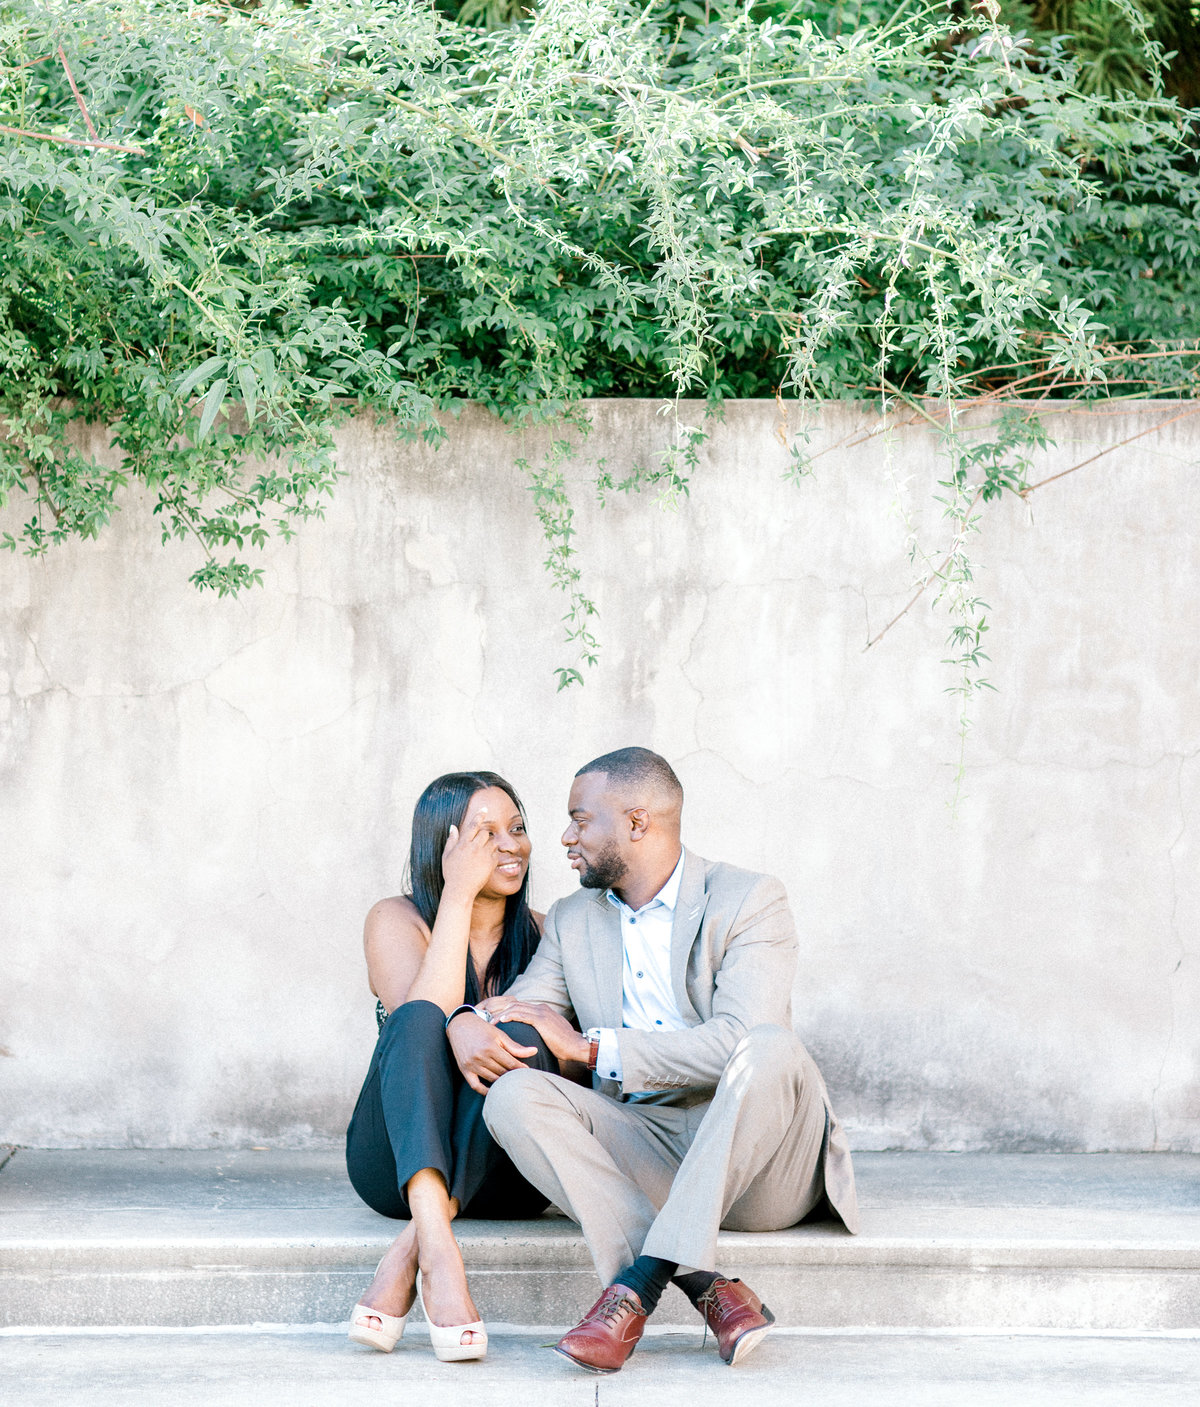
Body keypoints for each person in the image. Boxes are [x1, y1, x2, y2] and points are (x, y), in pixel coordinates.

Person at [447, 746, 859, 1373]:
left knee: (769, 1046)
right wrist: (464, 1020)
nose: (564, 837)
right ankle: (698, 1280)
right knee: (514, 1096)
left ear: (637, 822)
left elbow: (738, 1040)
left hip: (761, 1162)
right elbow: (521, 1006)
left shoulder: (748, 899)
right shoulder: (573, 919)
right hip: (651, 1147)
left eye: (581, 819)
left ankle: (636, 1285)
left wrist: (590, 1048)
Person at [344, 770, 559, 1362]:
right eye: (485, 834)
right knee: (416, 1021)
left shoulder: (545, 934)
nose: (510, 844)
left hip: (508, 1173)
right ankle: (442, 1257)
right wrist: (459, 897)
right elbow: (422, 1014)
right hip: (393, 1164)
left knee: (525, 1037)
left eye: (516, 828)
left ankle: (417, 1250)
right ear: (445, 847)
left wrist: (480, 1026)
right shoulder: (395, 919)